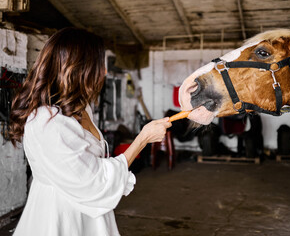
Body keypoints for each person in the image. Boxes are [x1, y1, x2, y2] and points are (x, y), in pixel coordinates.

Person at [9, 27, 171, 236]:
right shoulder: (46, 122)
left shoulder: (81, 108)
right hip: (62, 217)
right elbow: (93, 180)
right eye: (99, 64)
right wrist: (142, 139)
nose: (104, 71)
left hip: (91, 212)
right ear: (77, 67)